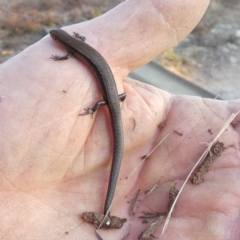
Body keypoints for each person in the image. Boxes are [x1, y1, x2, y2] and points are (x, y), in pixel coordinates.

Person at [0, 0, 239, 239]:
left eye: (55, 37)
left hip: (107, 100)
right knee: (112, 118)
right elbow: (79, 44)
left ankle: (106, 208)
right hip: (114, 97)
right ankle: (105, 208)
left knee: (109, 115)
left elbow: (68, 55)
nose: (53, 37)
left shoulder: (70, 50)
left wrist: (91, 103)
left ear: (62, 42)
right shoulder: (77, 44)